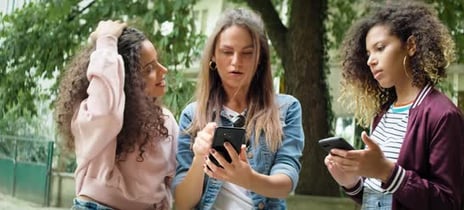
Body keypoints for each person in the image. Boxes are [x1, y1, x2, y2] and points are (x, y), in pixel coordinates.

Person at [324, 1, 464, 210]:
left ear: (410, 46)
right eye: (368, 54)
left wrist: (387, 172)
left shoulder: (443, 116)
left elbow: (448, 203)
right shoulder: (382, 114)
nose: (370, 61)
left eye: (380, 48)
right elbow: (382, 197)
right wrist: (351, 182)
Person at [172, 8, 305, 210]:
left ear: (259, 59)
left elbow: (285, 183)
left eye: (247, 53)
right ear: (213, 56)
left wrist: (248, 178)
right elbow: (182, 203)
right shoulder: (192, 115)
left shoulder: (286, 108)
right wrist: (200, 157)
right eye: (227, 52)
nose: (236, 62)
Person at [54, 20, 178, 210]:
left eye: (157, 62)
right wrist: (106, 42)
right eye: (149, 69)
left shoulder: (166, 121)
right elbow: (108, 115)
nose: (163, 70)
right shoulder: (91, 114)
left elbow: (172, 181)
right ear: (127, 80)